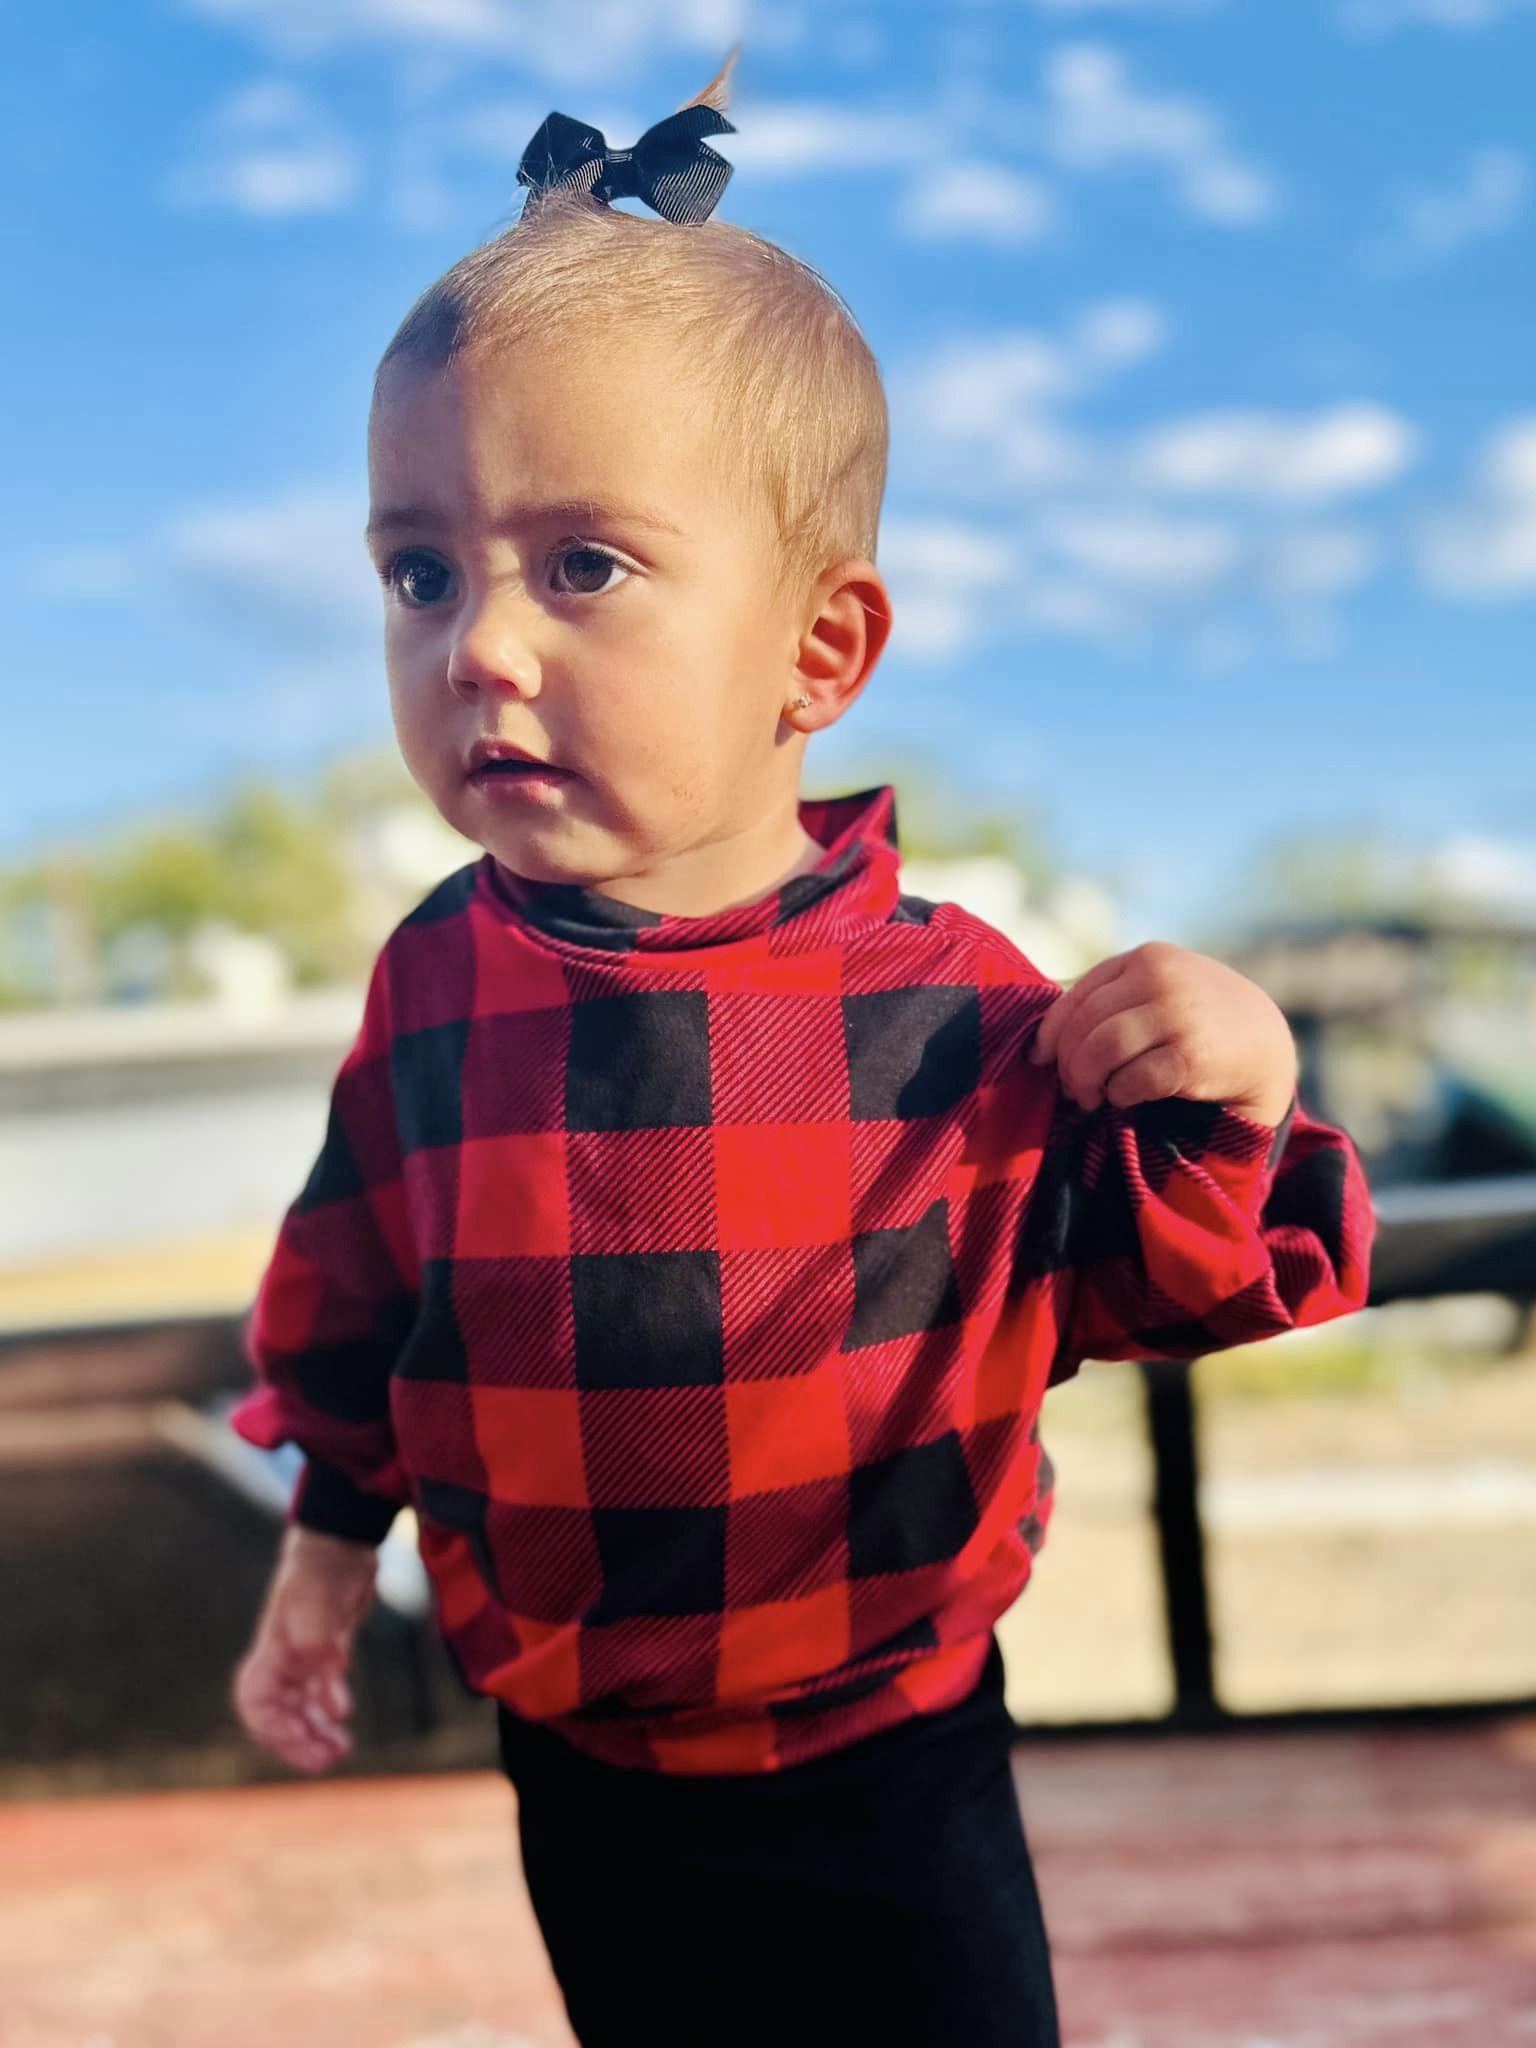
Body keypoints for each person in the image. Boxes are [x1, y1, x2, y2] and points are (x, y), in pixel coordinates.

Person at [228, 47, 1378, 2047]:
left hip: (890, 1760)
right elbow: (358, 1309)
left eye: (583, 567)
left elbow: (1164, 1286)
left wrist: (1238, 1097)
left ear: (817, 652)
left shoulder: (957, 1012)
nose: (478, 644)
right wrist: (324, 1566)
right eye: (420, 572)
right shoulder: (437, 980)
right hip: (579, 1766)